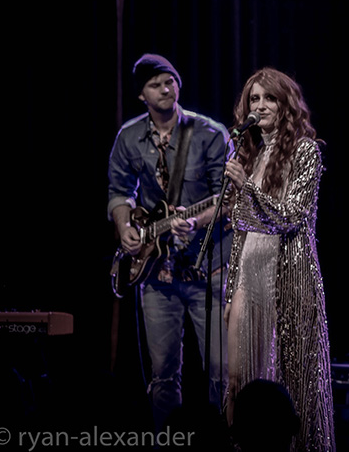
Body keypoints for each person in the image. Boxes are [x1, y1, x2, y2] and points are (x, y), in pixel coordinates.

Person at [107, 53, 231, 431]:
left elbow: (226, 199)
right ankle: (169, 442)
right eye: (155, 84)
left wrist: (194, 221)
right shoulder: (129, 136)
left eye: (170, 81)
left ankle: (225, 440)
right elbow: (118, 191)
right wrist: (124, 225)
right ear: (141, 95)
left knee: (222, 373)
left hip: (207, 269)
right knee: (162, 376)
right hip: (156, 274)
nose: (166, 88)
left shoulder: (209, 133)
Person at [223, 67, 335, 452]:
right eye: (254, 99)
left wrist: (246, 189)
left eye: (269, 98)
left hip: (288, 272)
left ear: (285, 104)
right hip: (248, 271)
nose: (260, 105)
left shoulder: (306, 150)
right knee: (237, 377)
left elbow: (292, 218)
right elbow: (240, 225)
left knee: (291, 378)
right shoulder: (249, 153)